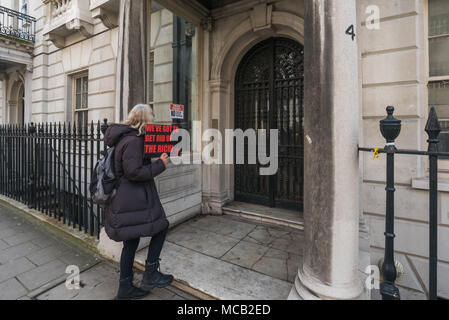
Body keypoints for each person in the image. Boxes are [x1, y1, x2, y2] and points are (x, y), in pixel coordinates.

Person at [104, 104, 173, 300]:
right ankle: (150, 274)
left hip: (127, 199)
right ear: (144, 119)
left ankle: (125, 289)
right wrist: (161, 164)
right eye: (151, 117)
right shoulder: (133, 141)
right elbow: (133, 172)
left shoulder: (125, 138)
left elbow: (131, 165)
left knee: (131, 243)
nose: (153, 120)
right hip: (133, 199)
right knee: (161, 227)